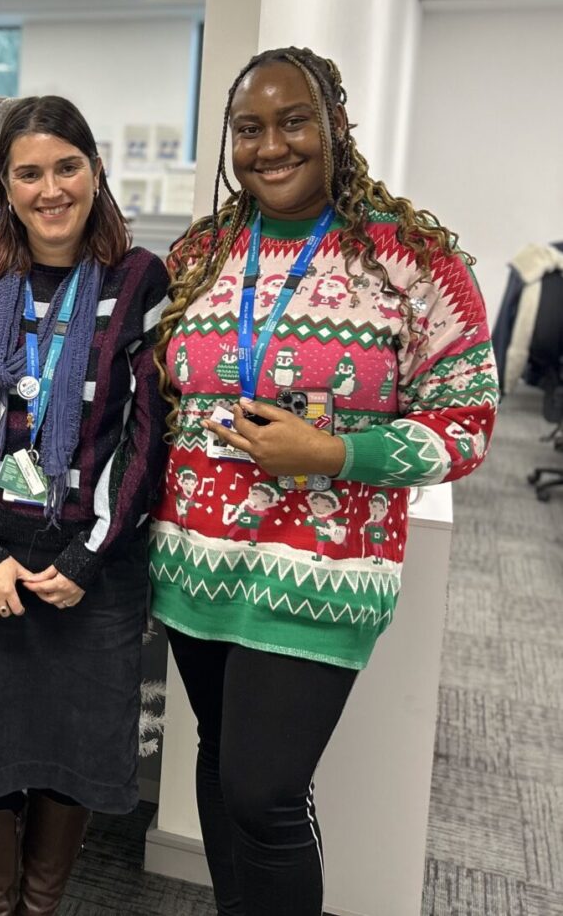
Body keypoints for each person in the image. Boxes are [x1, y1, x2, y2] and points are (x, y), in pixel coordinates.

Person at [149, 46, 498, 916]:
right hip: (196, 561)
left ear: (334, 126)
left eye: (292, 120)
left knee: (264, 795)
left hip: (320, 570)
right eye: (248, 128)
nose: (270, 145)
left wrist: (340, 455)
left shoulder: (412, 261)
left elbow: (466, 427)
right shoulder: (201, 251)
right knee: (224, 765)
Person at [0, 95, 169, 915]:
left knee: (72, 754)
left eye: (67, 167)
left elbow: (145, 436)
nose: (50, 188)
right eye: (29, 172)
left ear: (94, 173)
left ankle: (40, 904)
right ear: (6, 185)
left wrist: (85, 559)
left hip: (88, 577)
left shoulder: (140, 281)